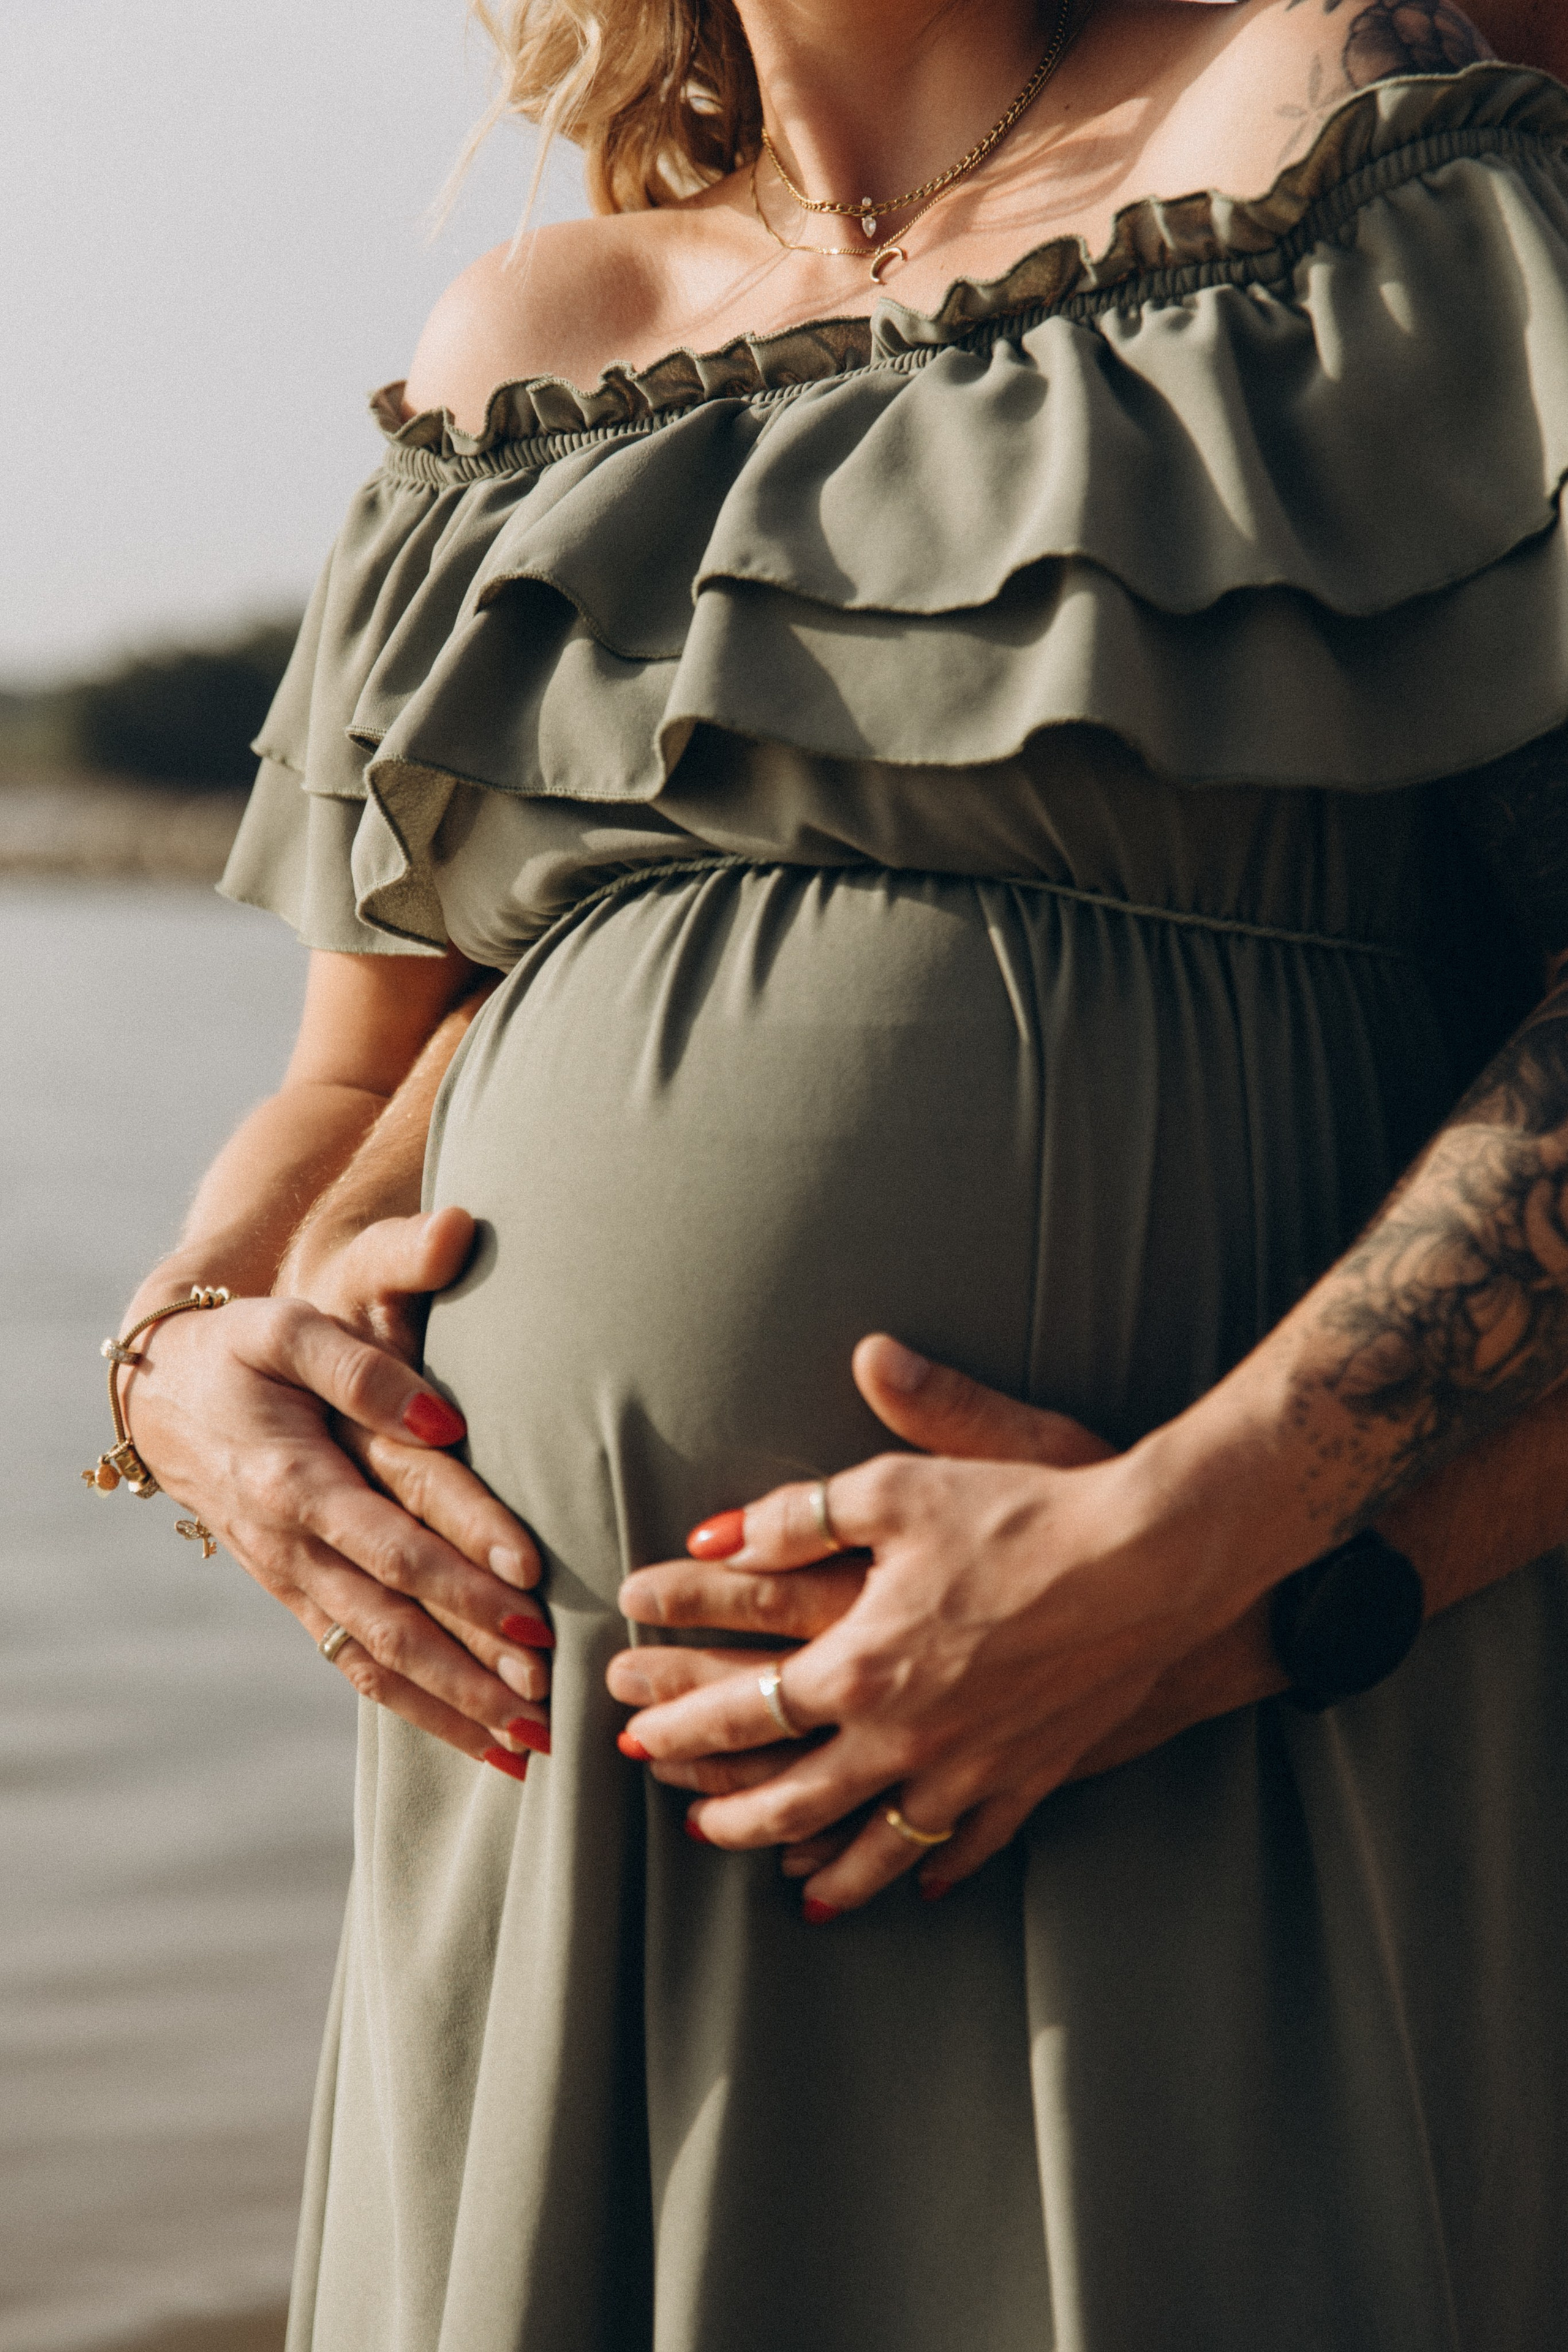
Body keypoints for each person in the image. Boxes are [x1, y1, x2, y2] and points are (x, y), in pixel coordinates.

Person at [98, 1, 1568, 2344]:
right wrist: (182, 1361)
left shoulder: (1332, 121)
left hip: (1194, 1714)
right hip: (557, 1764)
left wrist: (1184, 1558)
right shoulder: (539, 342)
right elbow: (345, 1079)